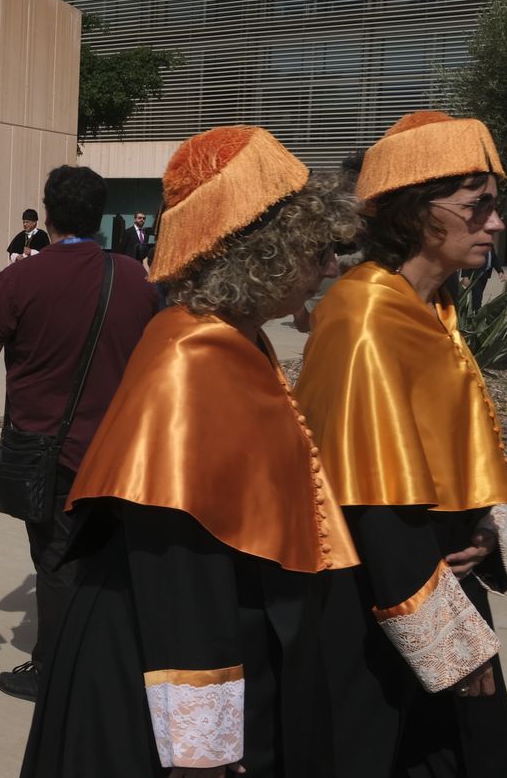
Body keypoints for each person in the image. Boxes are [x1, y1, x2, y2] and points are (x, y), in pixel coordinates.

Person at [20, 125, 362, 778]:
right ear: (259, 251)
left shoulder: (233, 339)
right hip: (160, 667)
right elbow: (179, 559)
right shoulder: (189, 354)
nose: (329, 268)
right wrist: (201, 748)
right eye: (314, 248)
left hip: (198, 646)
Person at [294, 110, 507, 778]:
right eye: (476, 205)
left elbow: (454, 446)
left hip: (442, 585)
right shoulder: (365, 316)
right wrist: (453, 647)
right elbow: (373, 503)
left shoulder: (433, 309)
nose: (496, 223)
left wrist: (484, 525)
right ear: (417, 213)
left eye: (495, 205)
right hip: (382, 615)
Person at [0, 167, 158, 702]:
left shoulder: (21, 278)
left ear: (45, 211)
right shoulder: (135, 278)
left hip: (43, 450)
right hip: (119, 450)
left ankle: (54, 668)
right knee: (107, 559)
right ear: (101, 216)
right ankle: (112, 655)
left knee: (53, 563)